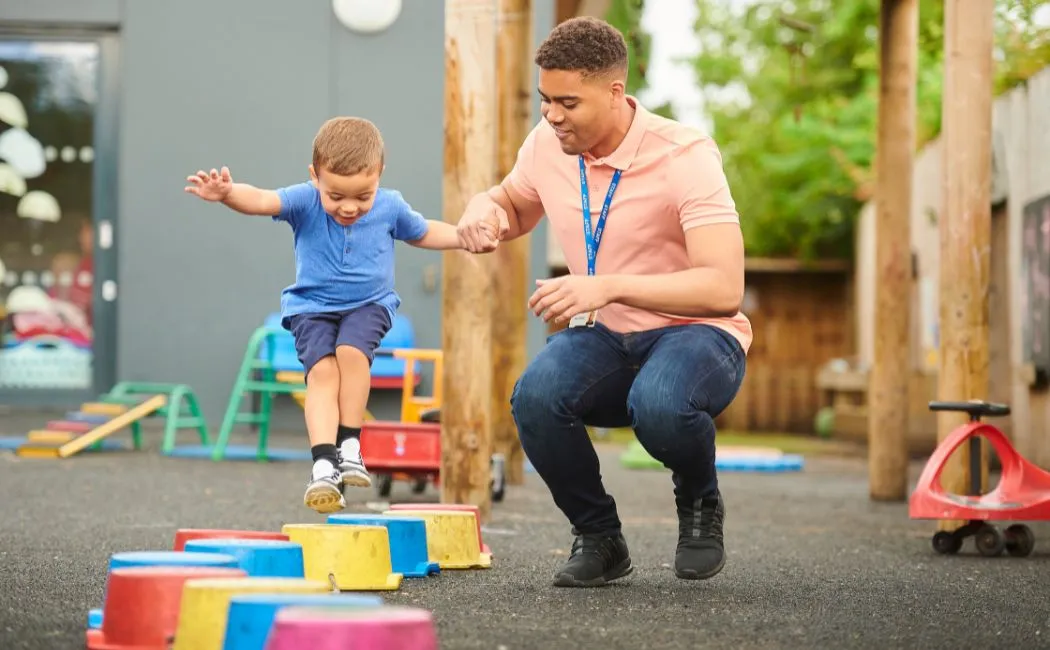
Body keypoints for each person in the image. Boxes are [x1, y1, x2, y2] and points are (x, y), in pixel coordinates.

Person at [456, 16, 752, 587]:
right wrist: (483, 209)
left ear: (615, 92)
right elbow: (514, 204)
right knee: (536, 397)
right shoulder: (547, 145)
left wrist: (607, 284)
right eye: (545, 99)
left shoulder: (685, 155)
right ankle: (598, 537)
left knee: (661, 403)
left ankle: (699, 500)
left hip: (698, 333)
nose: (551, 114)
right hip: (608, 335)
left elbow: (723, 288)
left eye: (567, 101)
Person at [185, 116, 498, 514]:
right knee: (322, 374)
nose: (349, 207)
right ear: (315, 176)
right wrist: (227, 193)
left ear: (379, 175)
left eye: (362, 196)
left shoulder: (390, 206)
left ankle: (350, 444)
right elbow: (263, 200)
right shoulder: (304, 200)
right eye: (336, 196)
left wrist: (464, 238)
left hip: (369, 304)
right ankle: (322, 463)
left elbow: (423, 233)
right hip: (311, 308)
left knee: (351, 353)